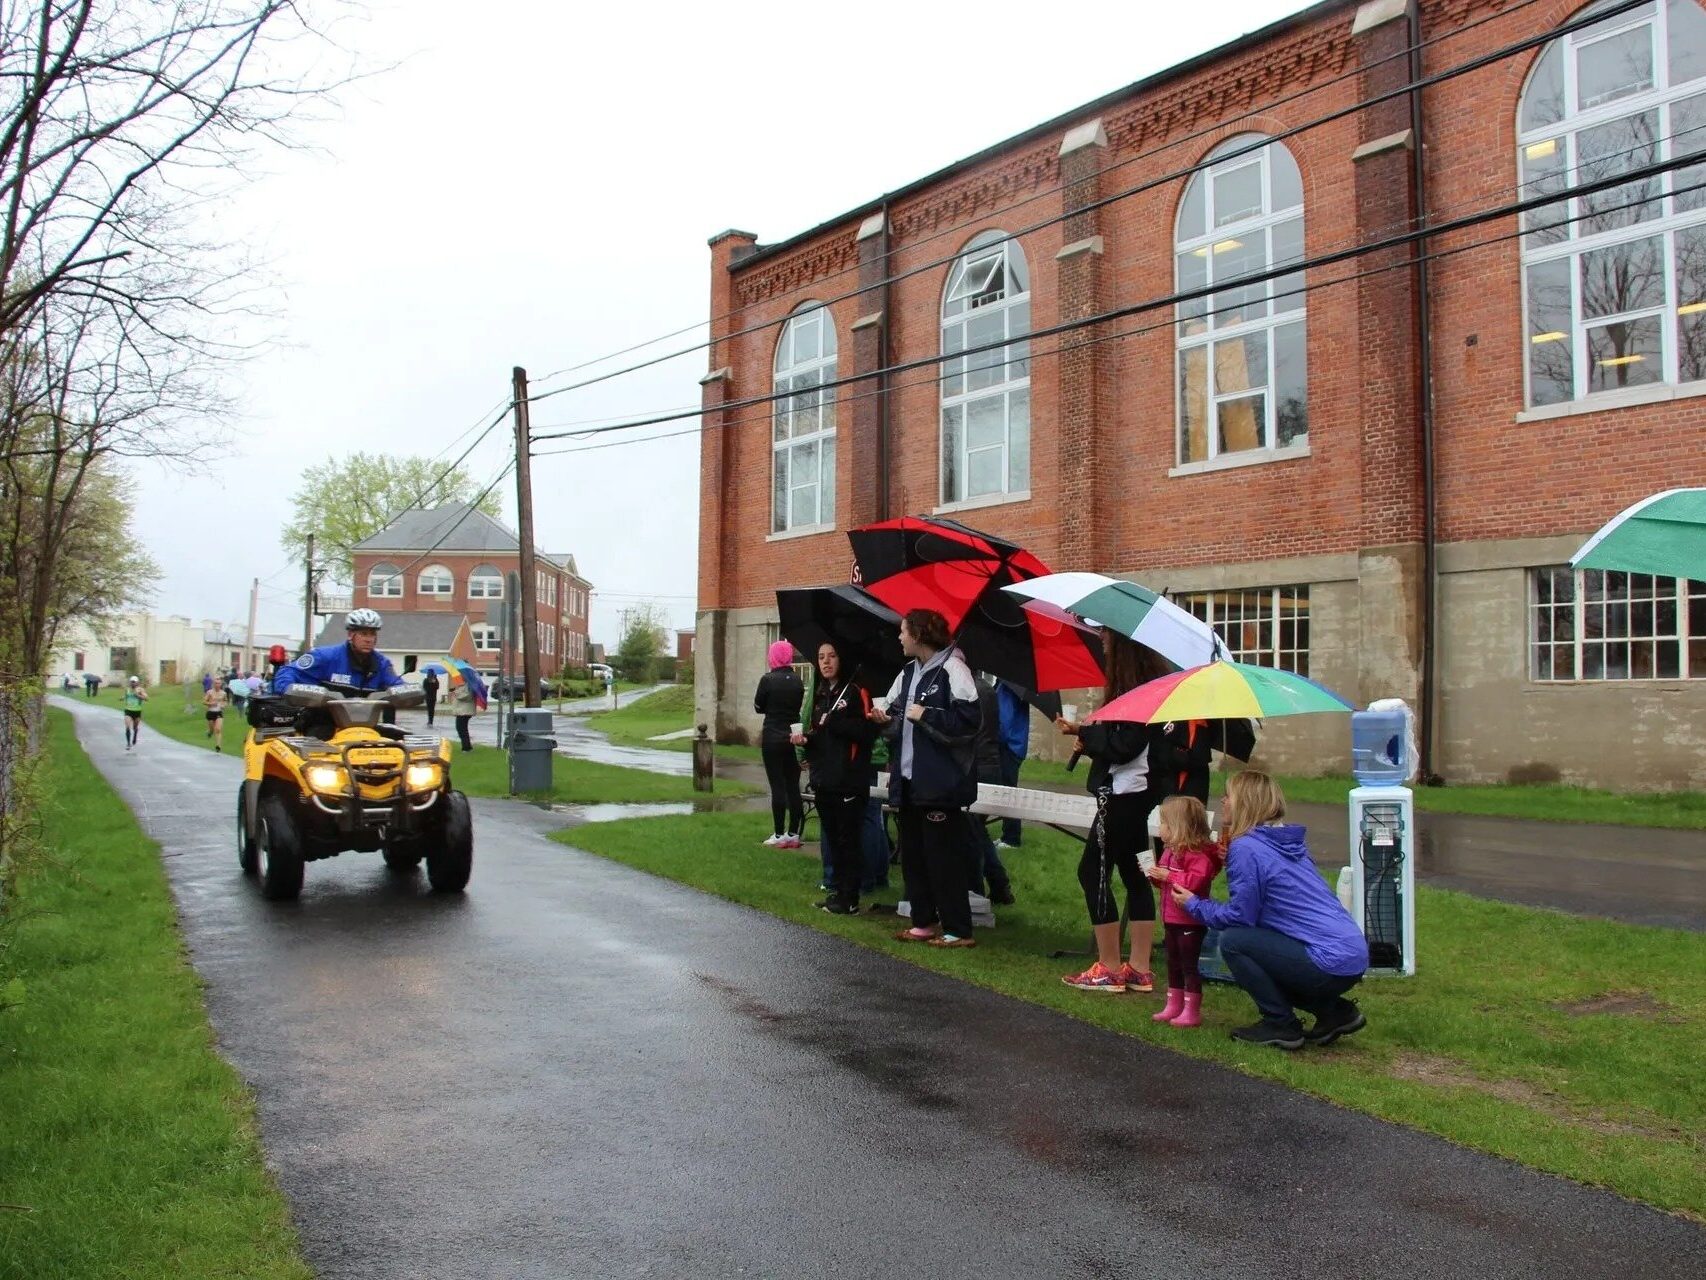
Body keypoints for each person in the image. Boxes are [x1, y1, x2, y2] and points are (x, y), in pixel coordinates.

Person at [1174, 770, 1369, 1050]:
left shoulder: (1246, 848)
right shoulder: (1281, 843)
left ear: (1245, 802)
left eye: (1229, 795)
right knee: (1263, 949)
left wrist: (1194, 904)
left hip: (1327, 961)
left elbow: (1240, 916)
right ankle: (1335, 1012)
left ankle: (1280, 1023)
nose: (1224, 800)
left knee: (1235, 942)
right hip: (1351, 954)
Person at [1055, 634, 1174, 995]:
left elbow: (1125, 748)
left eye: (1108, 644)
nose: (1103, 649)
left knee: (1093, 871)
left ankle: (1108, 966)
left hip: (1123, 797)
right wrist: (1091, 738)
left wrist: (1092, 738)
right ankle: (1138, 968)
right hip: (1132, 795)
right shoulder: (1141, 692)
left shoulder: (1138, 695)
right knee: (1135, 872)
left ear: (1123, 651)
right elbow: (1121, 745)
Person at [871, 609, 981, 949]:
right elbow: (894, 716)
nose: (899, 637)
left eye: (903, 632)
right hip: (908, 781)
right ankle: (923, 921)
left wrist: (927, 714)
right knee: (915, 856)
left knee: (943, 858)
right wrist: (882, 719)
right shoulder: (907, 672)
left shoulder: (954, 669)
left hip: (941, 784)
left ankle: (958, 929)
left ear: (918, 635)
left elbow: (970, 722)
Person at [792, 641, 878, 915]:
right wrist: (806, 740)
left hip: (849, 780)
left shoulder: (856, 692)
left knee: (848, 840)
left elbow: (867, 734)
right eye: (820, 657)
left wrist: (837, 722)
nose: (826, 662)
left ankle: (850, 897)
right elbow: (821, 734)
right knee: (832, 838)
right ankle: (837, 891)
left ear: (842, 659)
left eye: (831, 656)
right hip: (824, 778)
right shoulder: (822, 694)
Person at [1146, 795, 1224, 1028]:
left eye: (1165, 824)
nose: (1160, 828)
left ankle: (1192, 1009)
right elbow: (1166, 882)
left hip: (1190, 922)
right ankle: (1174, 1003)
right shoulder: (1169, 851)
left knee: (1189, 965)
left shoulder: (1198, 856)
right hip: (1171, 918)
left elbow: (1196, 882)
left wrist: (1168, 876)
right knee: (1173, 963)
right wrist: (1155, 877)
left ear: (1179, 827)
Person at [273, 608, 404, 696]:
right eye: (363, 634)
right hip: (324, 721)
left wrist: (410, 692)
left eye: (372, 634)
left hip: (366, 725)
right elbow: (289, 671)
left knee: (395, 737)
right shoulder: (324, 656)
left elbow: (396, 685)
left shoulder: (382, 664)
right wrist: (288, 689)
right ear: (350, 634)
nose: (368, 639)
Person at [966, 673, 1014, 905]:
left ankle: (974, 891)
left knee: (971, 832)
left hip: (978, 766)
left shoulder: (970, 690)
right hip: (989, 764)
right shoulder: (986, 688)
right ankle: (999, 884)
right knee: (977, 830)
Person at [754, 640, 804, 850]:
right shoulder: (798, 681)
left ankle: (778, 833)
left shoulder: (767, 680)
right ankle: (793, 833)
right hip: (793, 735)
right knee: (793, 785)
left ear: (772, 656)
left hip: (772, 736)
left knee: (777, 786)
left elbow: (758, 706)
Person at [994, 681, 1029, 849]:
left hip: (1009, 746)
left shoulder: (1008, 687)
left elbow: (1004, 721)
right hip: (1015, 745)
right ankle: (1008, 835)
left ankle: (1011, 838)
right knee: (1007, 790)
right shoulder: (1013, 687)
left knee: (1007, 791)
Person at [448, 672, 479, 750]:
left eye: (463, 675)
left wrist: (456, 693)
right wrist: (455, 690)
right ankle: (467, 746)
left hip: (464, 711)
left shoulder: (469, 685)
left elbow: (467, 696)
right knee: (462, 729)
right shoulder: (464, 685)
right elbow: (461, 692)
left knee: (461, 729)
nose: (461, 676)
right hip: (461, 710)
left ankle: (466, 748)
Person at [121, 676, 147, 750]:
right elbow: (125, 696)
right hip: (128, 710)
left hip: (137, 711)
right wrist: (122, 698)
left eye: (134, 682)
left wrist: (138, 695)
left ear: (137, 682)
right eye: (131, 681)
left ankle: (135, 735)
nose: (132, 683)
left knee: (135, 727)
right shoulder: (127, 689)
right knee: (127, 726)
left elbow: (146, 698)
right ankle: (128, 743)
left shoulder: (140, 689)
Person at [203, 678, 228, 751]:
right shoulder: (209, 692)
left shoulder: (223, 693)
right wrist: (211, 703)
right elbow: (204, 701)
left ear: (221, 684)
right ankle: (210, 732)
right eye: (216, 683)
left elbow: (226, 701)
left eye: (219, 683)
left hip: (219, 712)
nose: (217, 685)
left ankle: (218, 746)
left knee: (218, 729)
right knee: (212, 730)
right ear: (213, 684)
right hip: (210, 712)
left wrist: (224, 705)